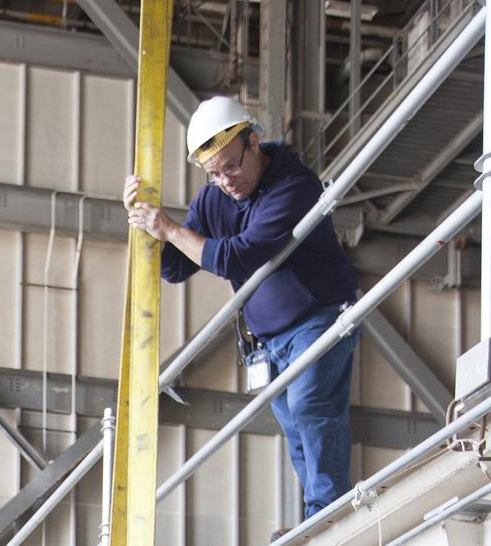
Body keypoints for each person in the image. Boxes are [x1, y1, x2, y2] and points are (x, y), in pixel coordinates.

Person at [123, 94, 359, 521]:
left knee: (310, 406)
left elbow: (236, 257)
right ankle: (319, 513)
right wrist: (146, 228)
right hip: (268, 338)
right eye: (214, 174)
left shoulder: (294, 185)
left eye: (231, 166)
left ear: (253, 142)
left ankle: (327, 511)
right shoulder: (213, 199)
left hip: (319, 317)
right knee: (295, 425)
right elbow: (177, 267)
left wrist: (170, 228)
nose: (226, 180)